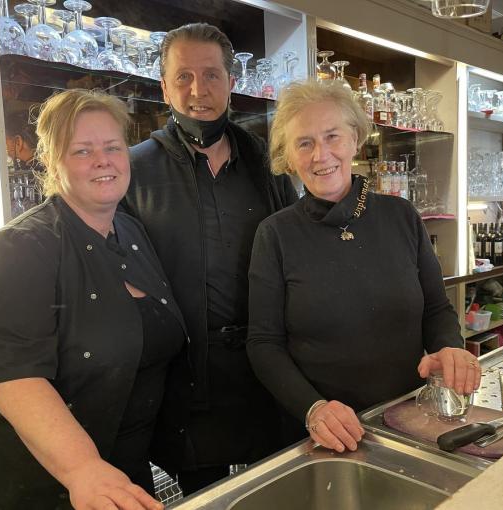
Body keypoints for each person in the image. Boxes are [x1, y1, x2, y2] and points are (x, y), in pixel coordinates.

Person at [0, 89, 184, 510]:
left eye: (112, 147)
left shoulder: (132, 232)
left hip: (111, 467)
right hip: (9, 484)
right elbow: (18, 383)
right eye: (82, 150)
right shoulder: (22, 245)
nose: (102, 160)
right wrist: (84, 468)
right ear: (50, 161)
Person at [246, 80, 482, 453]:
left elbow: (436, 309)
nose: (321, 155)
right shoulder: (274, 234)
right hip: (319, 435)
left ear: (355, 139)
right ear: (288, 158)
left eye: (332, 136)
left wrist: (449, 348)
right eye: (304, 143)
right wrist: (314, 409)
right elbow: (263, 343)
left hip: (406, 420)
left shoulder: (402, 216)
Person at [122, 23, 298, 493]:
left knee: (278, 494)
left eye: (211, 75)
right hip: (185, 384)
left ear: (231, 82)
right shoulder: (132, 169)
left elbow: (303, 247)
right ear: (163, 87)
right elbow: (79, 239)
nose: (198, 90)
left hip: (266, 372)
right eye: (183, 77)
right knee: (206, 499)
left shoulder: (269, 165)